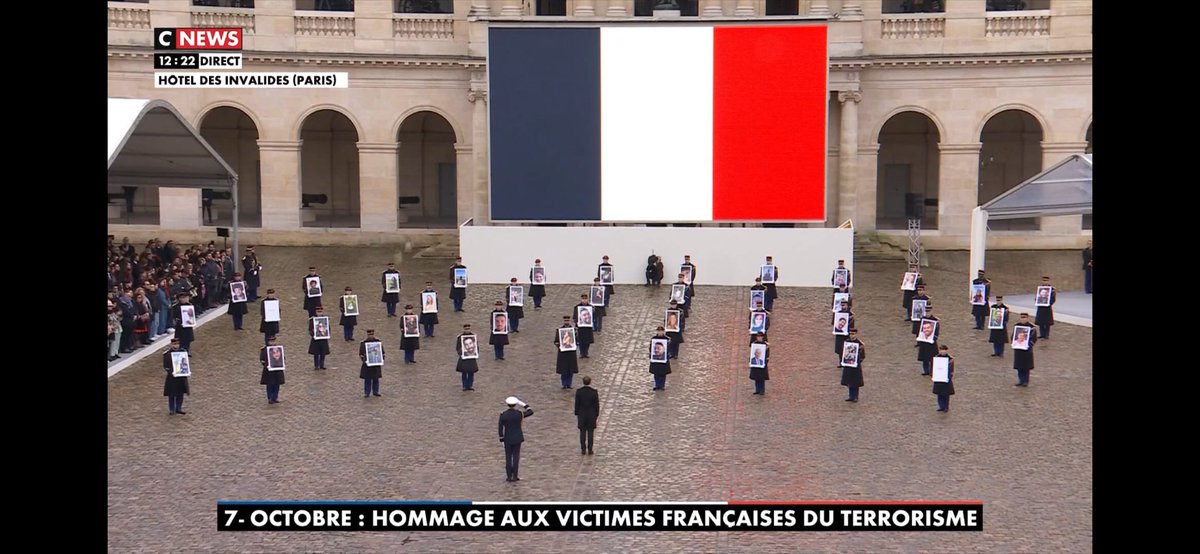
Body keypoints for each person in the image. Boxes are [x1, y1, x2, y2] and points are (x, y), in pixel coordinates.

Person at [498, 397, 534, 482]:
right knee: (516, 457)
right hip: (517, 438)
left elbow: (500, 428)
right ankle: (515, 476)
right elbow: (531, 411)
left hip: (507, 438)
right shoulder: (519, 414)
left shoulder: (503, 414)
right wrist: (523, 404)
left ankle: (509, 476)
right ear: (515, 404)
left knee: (508, 457)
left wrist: (501, 438)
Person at [163, 337, 189, 415]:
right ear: (171, 345)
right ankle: (171, 409)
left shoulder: (183, 352)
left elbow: (185, 363)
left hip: (181, 377)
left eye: (177, 344)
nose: (176, 346)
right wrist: (172, 372)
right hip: (172, 377)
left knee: (180, 393)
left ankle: (178, 408)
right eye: (174, 344)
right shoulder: (167, 354)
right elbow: (166, 366)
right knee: (172, 394)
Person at [574, 376, 600, 455]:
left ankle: (583, 449)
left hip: (582, 415)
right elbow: (597, 405)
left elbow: (577, 404)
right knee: (590, 432)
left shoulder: (579, 392)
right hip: (591, 415)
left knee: (582, 433)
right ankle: (590, 449)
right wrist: (596, 414)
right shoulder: (594, 392)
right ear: (590, 382)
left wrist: (577, 412)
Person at [1013, 313, 1039, 386]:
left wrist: (1029, 345)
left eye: (1024, 317)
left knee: (1026, 367)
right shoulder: (1017, 326)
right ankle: (1021, 380)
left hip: (1027, 350)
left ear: (1027, 318)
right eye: (1022, 317)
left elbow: (1034, 339)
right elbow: (1013, 337)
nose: (1023, 319)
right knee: (1019, 366)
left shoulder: (1031, 327)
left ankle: (1025, 381)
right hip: (1018, 349)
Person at [555, 316, 579, 389]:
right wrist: (560, 346)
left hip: (571, 353)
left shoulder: (573, 330)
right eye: (565, 321)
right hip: (563, 354)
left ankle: (569, 384)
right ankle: (564, 383)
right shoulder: (559, 330)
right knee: (564, 370)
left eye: (567, 321)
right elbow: (556, 341)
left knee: (570, 370)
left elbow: (577, 340)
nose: (566, 322)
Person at [841, 328, 865, 402]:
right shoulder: (846, 342)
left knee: (855, 381)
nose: (852, 336)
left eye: (853, 334)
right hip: (848, 365)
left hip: (855, 366)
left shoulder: (860, 344)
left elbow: (862, 356)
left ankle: (856, 396)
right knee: (849, 381)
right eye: (851, 334)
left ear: (856, 334)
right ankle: (851, 396)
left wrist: (856, 361)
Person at [260, 336, 285, 404]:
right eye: (271, 341)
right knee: (270, 384)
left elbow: (282, 358)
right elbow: (262, 359)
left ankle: (275, 397)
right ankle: (270, 398)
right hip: (269, 371)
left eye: (273, 341)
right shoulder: (265, 349)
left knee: (277, 384)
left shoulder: (279, 349)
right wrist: (267, 365)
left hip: (277, 370)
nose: (272, 342)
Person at [359, 329, 384, 398]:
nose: (371, 336)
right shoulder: (363, 343)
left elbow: (382, 352)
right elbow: (361, 354)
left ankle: (375, 391)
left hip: (375, 364)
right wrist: (365, 360)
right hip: (367, 365)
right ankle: (367, 392)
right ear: (367, 335)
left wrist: (381, 359)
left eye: (372, 334)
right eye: (370, 335)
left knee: (376, 379)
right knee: (367, 379)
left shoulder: (378, 342)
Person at [916, 306, 939, 376]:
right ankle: (926, 370)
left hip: (931, 342)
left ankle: (932, 371)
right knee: (925, 358)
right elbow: (919, 329)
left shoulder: (935, 320)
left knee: (932, 358)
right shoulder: (922, 319)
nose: (928, 313)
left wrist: (934, 337)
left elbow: (937, 330)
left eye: (929, 311)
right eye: (926, 311)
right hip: (924, 341)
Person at [455, 324, 479, 391]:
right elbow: (457, 348)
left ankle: (470, 385)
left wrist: (476, 353)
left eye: (468, 329)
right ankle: (465, 385)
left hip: (471, 358)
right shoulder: (460, 337)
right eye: (466, 329)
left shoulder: (473, 337)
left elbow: (477, 346)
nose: (467, 330)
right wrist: (461, 352)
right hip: (464, 358)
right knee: (464, 372)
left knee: (471, 372)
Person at [932, 345, 955, 412]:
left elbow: (952, 369)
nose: (942, 351)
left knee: (946, 394)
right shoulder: (937, 357)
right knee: (939, 393)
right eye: (941, 349)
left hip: (946, 378)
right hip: (938, 378)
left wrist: (950, 376)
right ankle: (941, 406)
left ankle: (946, 407)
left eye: (944, 349)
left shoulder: (950, 358)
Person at [308, 306, 330, 370]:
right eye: (318, 311)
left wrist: (327, 334)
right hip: (316, 339)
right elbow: (310, 329)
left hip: (323, 339)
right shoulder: (312, 319)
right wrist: (313, 334)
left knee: (323, 353)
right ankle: (316, 365)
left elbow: (328, 328)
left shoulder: (325, 319)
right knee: (316, 353)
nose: (319, 312)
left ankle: (322, 364)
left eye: (321, 311)